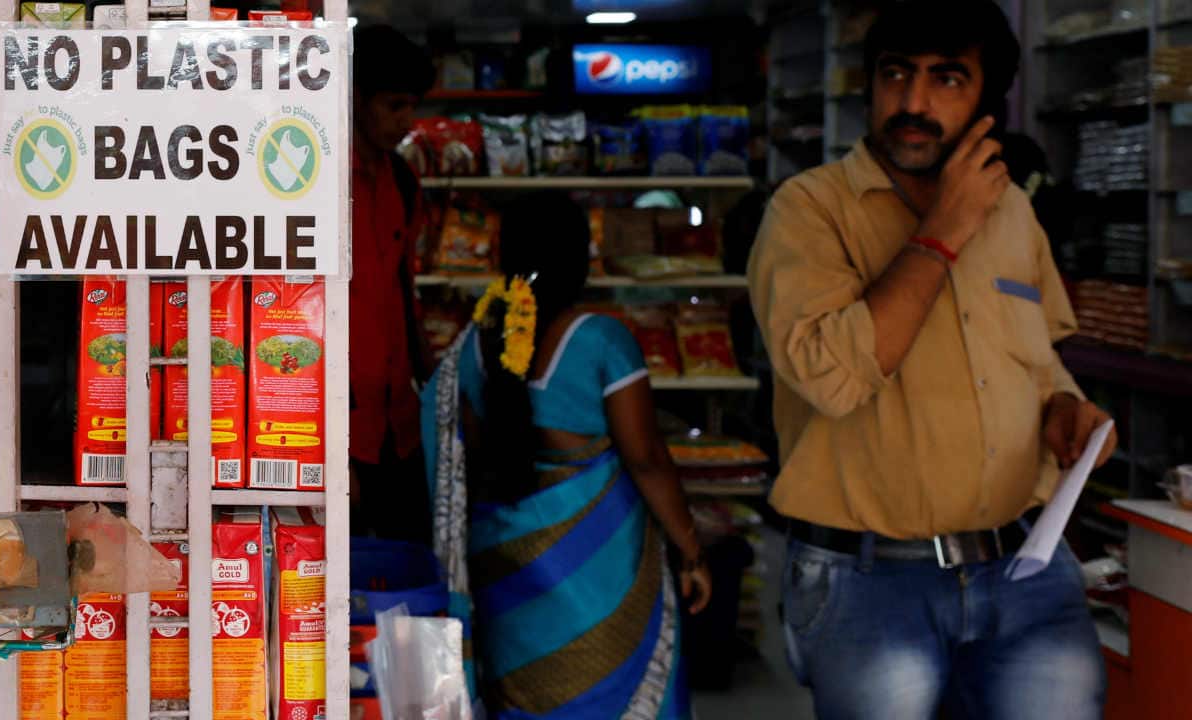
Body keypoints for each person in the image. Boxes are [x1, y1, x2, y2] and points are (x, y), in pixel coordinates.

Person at [747, 2, 1119, 719]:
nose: (913, 103)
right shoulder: (809, 211)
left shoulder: (1013, 214)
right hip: (870, 582)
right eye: (896, 74)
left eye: (947, 79)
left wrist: (1064, 410)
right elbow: (831, 377)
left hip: (1025, 569)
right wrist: (942, 232)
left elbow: (1040, 361)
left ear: (987, 103)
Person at [422, 191, 712, 719]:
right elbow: (646, 457)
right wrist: (691, 549)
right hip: (598, 586)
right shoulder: (601, 340)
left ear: (504, 256)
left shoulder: (472, 348)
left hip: (503, 576)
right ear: (580, 257)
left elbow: (470, 460)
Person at [350, 25, 435, 544]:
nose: (407, 122)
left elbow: (406, 291)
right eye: (394, 105)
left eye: (412, 107)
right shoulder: (316, 181)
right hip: (340, 426)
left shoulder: (403, 179)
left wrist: (435, 382)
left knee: (406, 556)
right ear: (356, 98)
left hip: (399, 423)